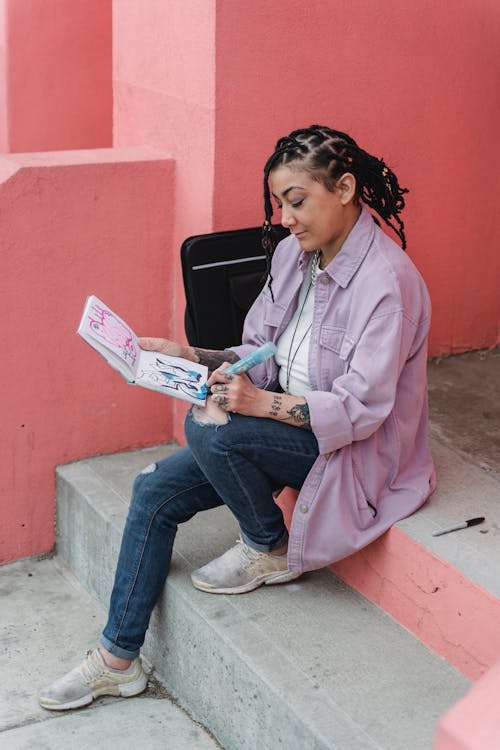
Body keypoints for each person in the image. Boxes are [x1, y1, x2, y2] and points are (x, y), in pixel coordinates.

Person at [39, 125, 435, 711]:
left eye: (298, 201)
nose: (287, 217)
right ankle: (117, 661)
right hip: (279, 434)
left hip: (352, 453)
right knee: (152, 491)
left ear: (346, 188)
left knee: (209, 426)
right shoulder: (293, 255)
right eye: (281, 203)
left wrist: (253, 405)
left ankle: (267, 544)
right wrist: (186, 356)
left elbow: (361, 411)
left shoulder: (388, 284)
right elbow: (257, 353)